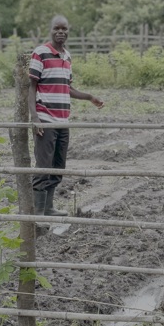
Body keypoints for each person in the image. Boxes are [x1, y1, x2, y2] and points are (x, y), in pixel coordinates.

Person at [28, 15, 104, 217]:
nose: (60, 32)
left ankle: (48, 207)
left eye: (64, 29)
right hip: (45, 119)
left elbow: (66, 87)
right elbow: (32, 87)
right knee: (43, 166)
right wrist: (35, 118)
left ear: (68, 31)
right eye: (57, 28)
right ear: (51, 30)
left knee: (58, 166)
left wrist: (89, 97)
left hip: (63, 121)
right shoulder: (40, 53)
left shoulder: (67, 56)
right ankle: (38, 213)